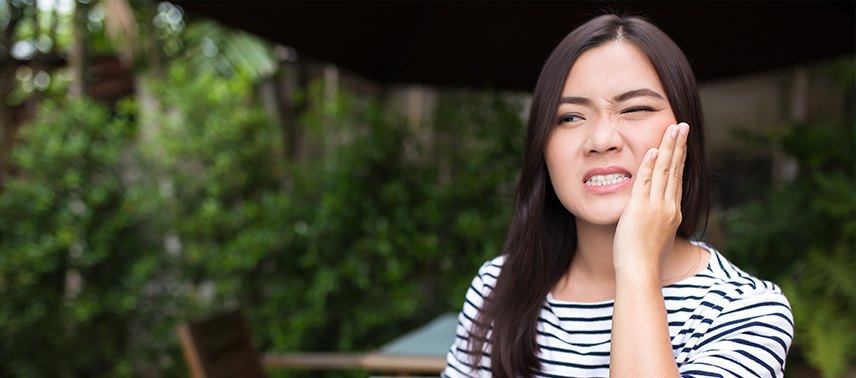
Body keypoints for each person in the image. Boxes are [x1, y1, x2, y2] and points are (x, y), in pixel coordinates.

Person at [443, 14, 794, 378]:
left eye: (635, 109)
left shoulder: (744, 310)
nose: (600, 140)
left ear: (686, 132)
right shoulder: (498, 287)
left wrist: (638, 267)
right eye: (569, 117)